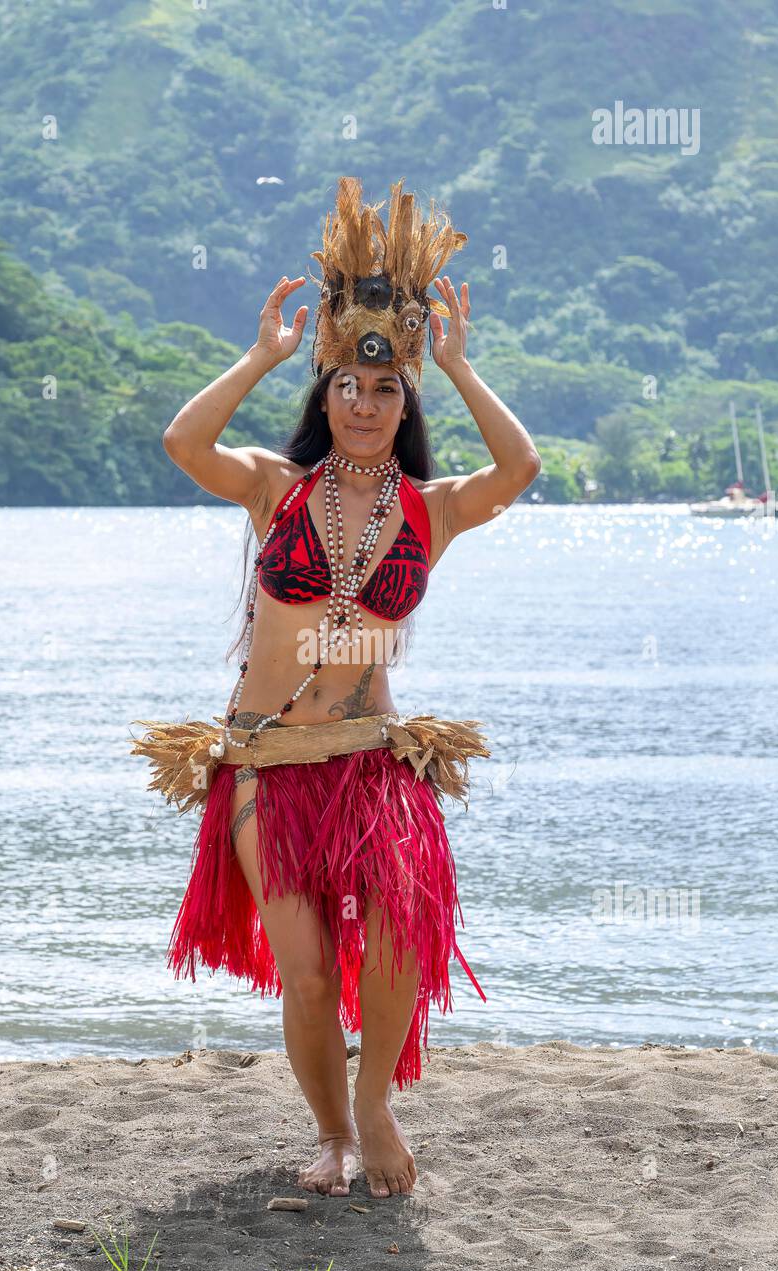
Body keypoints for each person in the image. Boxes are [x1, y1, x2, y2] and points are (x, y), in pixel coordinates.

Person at [131, 178, 540, 1200]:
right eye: (346, 391)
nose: (363, 404)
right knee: (307, 971)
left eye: (384, 391)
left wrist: (455, 363)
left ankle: (372, 1104)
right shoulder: (275, 487)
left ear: (404, 405)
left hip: (370, 761)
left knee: (404, 922)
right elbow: (183, 444)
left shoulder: (431, 509)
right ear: (325, 398)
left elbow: (519, 465)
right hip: (269, 761)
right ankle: (329, 1133)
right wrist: (263, 354)